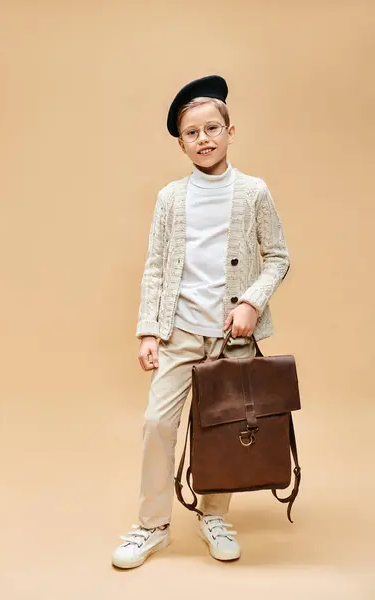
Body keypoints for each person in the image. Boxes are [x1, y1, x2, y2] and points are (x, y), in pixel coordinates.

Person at [111, 75, 290, 569]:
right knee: (157, 424)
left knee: (222, 429)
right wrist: (149, 329)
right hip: (180, 331)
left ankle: (214, 515)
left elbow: (277, 256)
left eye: (213, 128)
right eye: (193, 133)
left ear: (232, 132)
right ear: (180, 142)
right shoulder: (171, 197)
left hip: (233, 336)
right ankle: (152, 527)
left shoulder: (253, 192)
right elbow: (155, 265)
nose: (204, 139)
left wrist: (251, 303)